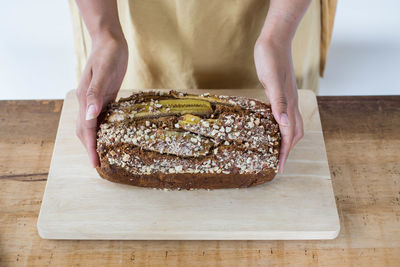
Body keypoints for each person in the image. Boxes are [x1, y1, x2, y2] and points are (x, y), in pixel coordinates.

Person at [70, 0, 336, 173]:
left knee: (277, 109)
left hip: (273, 15)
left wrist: (280, 31)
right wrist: (104, 31)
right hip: (128, 18)